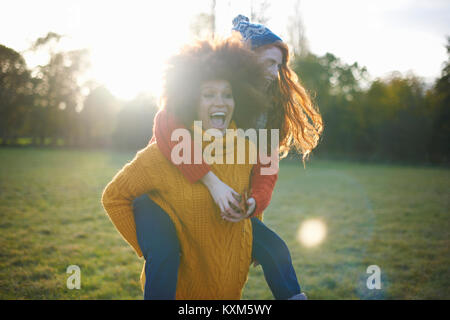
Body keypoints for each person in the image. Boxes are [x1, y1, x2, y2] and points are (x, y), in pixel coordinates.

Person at [102, 37, 304, 299]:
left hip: (216, 244)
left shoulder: (254, 132)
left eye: (279, 65)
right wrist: (148, 246)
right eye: (268, 62)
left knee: (274, 248)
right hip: (160, 196)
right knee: (164, 253)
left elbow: (261, 176)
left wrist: (252, 214)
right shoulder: (172, 131)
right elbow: (116, 195)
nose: (274, 72)